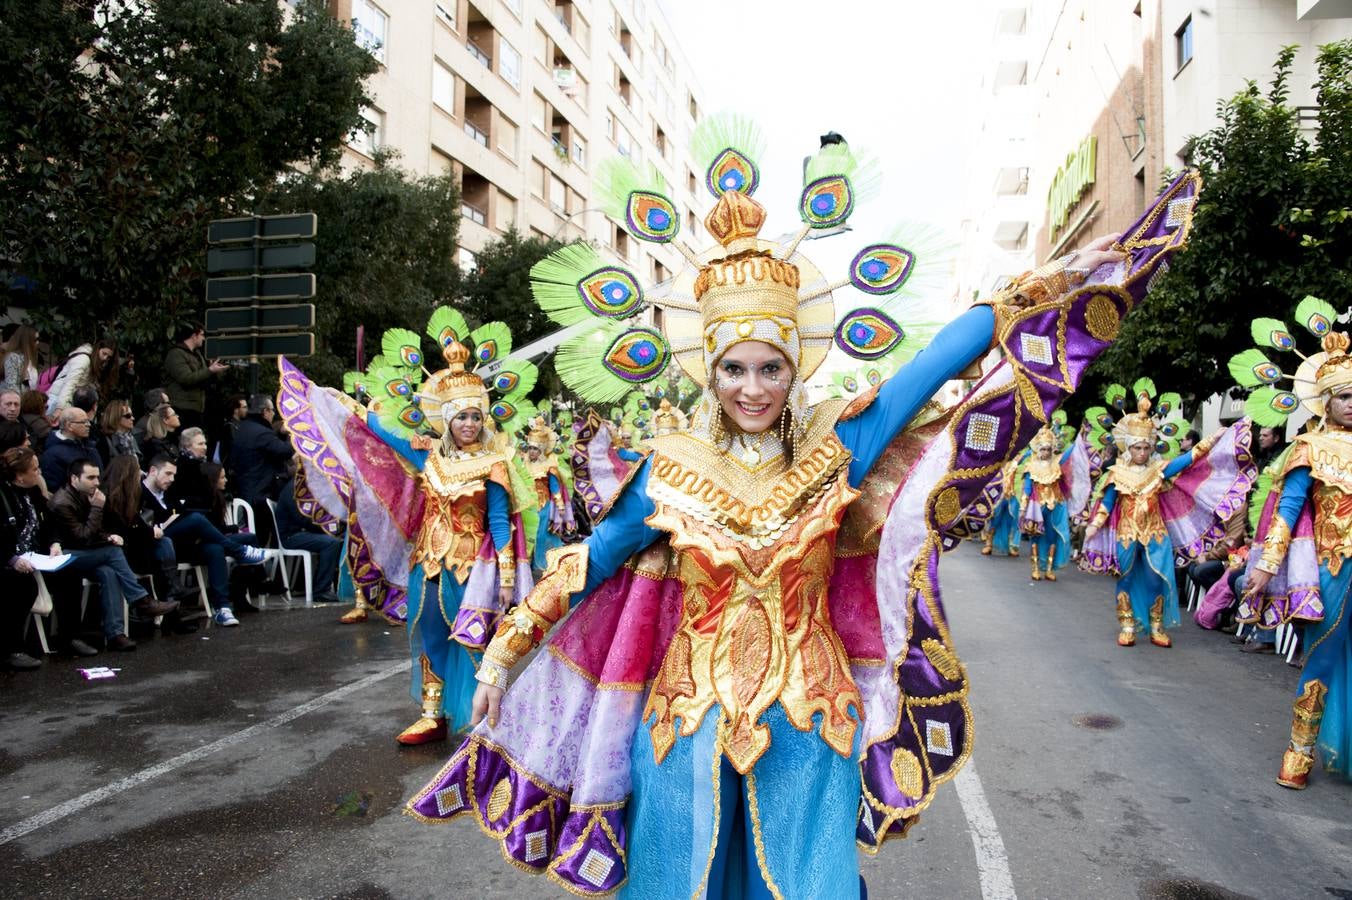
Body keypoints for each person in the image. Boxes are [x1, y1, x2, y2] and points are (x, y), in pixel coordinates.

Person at [405, 143, 1201, 894]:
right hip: (684, 717)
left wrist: (1050, 281)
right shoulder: (670, 468)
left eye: (771, 368)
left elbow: (933, 366)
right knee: (678, 876)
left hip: (813, 714)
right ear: (708, 370)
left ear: (797, 364)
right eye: (735, 369)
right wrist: (502, 659)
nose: (753, 388)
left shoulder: (839, 447)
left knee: (810, 882)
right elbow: (589, 561)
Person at [280, 305, 537, 740]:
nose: (469, 424)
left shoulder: (496, 462)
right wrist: (336, 399)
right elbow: (382, 429)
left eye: (476, 416)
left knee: (477, 641)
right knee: (428, 636)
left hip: (476, 568)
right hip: (429, 562)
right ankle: (433, 714)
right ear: (447, 420)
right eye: (461, 416)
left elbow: (499, 520)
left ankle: (490, 718)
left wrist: (508, 577)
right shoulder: (428, 455)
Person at [1229, 298, 1352, 789]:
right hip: (1331, 569)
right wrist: (1263, 566)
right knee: (1320, 658)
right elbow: (1286, 512)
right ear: (1325, 401)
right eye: (1344, 395)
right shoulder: (1308, 448)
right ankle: (1299, 751)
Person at [1082, 384, 1254, 649]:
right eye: (1137, 448)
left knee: (1156, 577)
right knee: (1125, 577)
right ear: (1128, 447)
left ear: (1152, 447)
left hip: (1155, 532)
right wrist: (1095, 524)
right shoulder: (1117, 473)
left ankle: (1156, 625)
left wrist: (1215, 438)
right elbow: (1107, 501)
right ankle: (1127, 624)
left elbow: (1189, 459)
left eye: (1145, 448)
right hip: (1127, 533)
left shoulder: (1159, 470)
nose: (1141, 453)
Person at [50, 458, 178, 650]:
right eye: (90, 478)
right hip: (65, 556)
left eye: (97, 477)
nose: (96, 482)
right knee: (112, 553)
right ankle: (141, 600)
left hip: (84, 552)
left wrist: (109, 536)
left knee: (109, 573)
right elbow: (82, 536)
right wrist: (97, 509)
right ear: (74, 479)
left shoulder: (87, 494)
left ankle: (115, 634)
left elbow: (95, 531)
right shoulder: (64, 502)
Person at [141, 453, 266, 627]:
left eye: (174, 475)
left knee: (215, 548)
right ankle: (239, 551)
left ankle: (222, 608)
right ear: (153, 471)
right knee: (195, 519)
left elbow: (180, 514)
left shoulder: (169, 494)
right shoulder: (141, 494)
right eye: (168, 474)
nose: (171, 479)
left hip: (183, 544)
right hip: (159, 545)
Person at [100, 455, 198, 634]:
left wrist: (148, 531)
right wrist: (149, 532)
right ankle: (172, 603)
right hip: (124, 550)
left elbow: (136, 525)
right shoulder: (109, 497)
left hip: (135, 546)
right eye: (137, 470)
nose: (141, 474)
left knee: (163, 546)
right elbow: (124, 529)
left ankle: (172, 602)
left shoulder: (129, 494)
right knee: (162, 550)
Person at [1, 447, 56, 670]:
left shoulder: (33, 492)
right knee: (22, 585)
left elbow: (49, 522)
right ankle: (11, 649)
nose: (39, 472)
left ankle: (70, 637)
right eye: (35, 469)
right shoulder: (3, 496)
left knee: (70, 574)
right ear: (20, 474)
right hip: (8, 558)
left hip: (35, 555)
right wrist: (12, 559)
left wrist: (55, 543)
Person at [1019, 426, 1089, 582]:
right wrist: (1023, 508)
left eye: (1048, 449)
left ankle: (1049, 569)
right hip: (1036, 508)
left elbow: (1070, 453)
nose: (1045, 452)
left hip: (1055, 506)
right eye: (1042, 449)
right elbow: (1028, 489)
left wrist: (1081, 435)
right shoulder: (1031, 466)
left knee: (1052, 537)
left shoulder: (1057, 464)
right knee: (1035, 537)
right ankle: (1036, 568)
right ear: (1037, 449)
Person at [273, 467, 343, 604]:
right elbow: (304, 519)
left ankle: (338, 584)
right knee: (331, 543)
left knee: (341, 538)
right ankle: (321, 590)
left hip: (302, 531)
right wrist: (330, 527)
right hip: (292, 536)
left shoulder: (305, 488)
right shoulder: (294, 490)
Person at [228, 395, 294, 535]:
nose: (274, 414)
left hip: (246, 487)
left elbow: (269, 446)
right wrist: (292, 435)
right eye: (272, 410)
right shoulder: (261, 433)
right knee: (264, 533)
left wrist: (281, 434)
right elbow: (285, 451)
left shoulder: (245, 427)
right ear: (265, 411)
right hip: (260, 491)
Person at [522, 417, 575, 575]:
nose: (532, 451)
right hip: (528, 506)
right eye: (530, 448)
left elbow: (554, 487)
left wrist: (560, 506)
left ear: (542, 450)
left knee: (542, 534)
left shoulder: (549, 467)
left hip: (544, 507)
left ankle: (546, 564)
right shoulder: (523, 465)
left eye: (535, 449)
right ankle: (528, 565)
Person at [164, 322, 228, 433]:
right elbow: (185, 378)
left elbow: (204, 380)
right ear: (194, 336)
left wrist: (214, 372)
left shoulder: (198, 355)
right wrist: (209, 370)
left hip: (196, 409)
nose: (204, 338)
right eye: (202, 335)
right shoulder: (176, 354)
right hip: (181, 408)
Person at [40, 406, 103, 493]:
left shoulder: (88, 444)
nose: (88, 425)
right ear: (69, 426)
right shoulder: (52, 456)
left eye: (88, 421)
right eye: (83, 422)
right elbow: (57, 490)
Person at [982, 455, 1026, 557]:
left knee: (1013, 519)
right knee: (995, 518)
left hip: (1014, 494)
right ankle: (989, 543)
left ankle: (1011, 545)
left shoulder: (1023, 458)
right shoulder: (1001, 457)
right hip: (999, 493)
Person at [0, 324, 41, 393]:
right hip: (15, 401)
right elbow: (11, 387)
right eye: (35, 339)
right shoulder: (13, 358)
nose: (38, 342)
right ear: (27, 340)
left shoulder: (29, 359)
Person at [96, 399, 139, 464]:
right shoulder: (104, 441)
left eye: (132, 415)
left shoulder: (131, 438)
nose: (132, 418)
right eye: (128, 416)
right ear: (116, 417)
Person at [213, 394, 247, 465]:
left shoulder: (239, 425)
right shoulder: (230, 427)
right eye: (244, 407)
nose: (247, 410)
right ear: (236, 410)